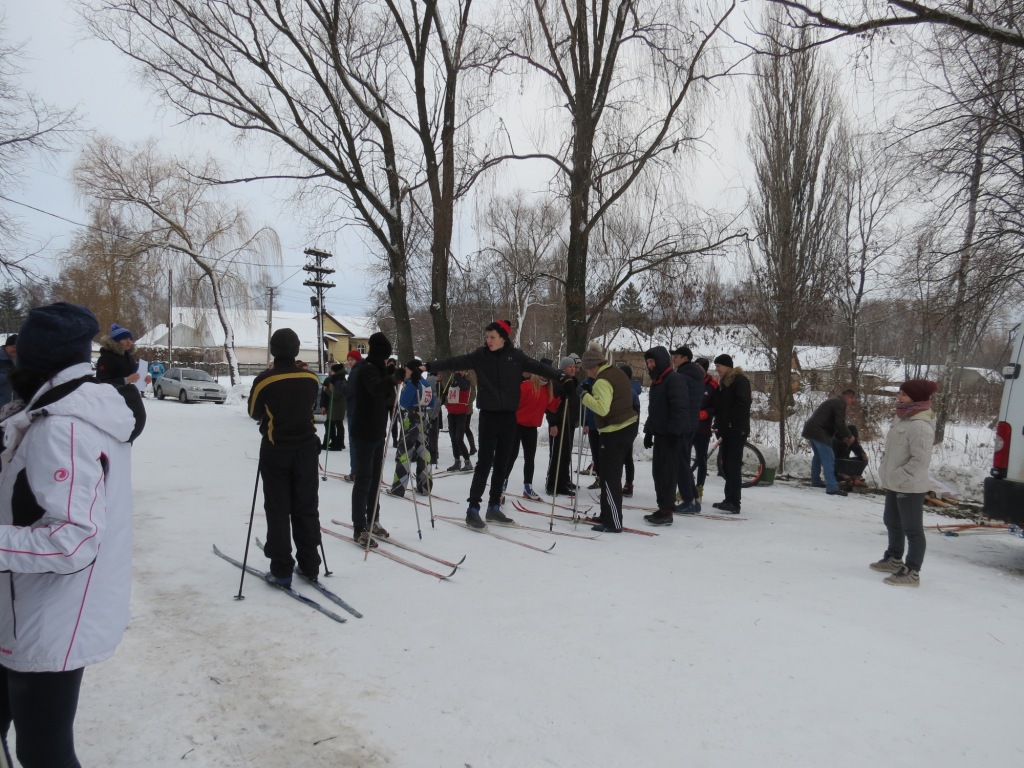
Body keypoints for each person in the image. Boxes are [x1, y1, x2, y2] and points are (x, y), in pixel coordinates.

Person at [0, 302, 143, 768]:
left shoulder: (65, 426)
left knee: (43, 750)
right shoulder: (53, 411)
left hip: (49, 620)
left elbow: (74, 540)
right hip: (23, 607)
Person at [423, 320, 566, 528]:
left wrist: (561, 376)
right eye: (487, 337)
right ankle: (473, 509)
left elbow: (538, 366)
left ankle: (494, 507)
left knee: (502, 463)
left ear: (503, 338)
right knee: (484, 463)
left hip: (509, 417)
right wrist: (428, 366)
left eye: (492, 337)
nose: (488, 340)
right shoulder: (480, 356)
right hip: (489, 416)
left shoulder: (516, 357)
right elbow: (455, 362)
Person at [248, 328, 324, 585]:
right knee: (306, 507)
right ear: (296, 349)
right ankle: (310, 564)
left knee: (278, 510)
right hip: (306, 449)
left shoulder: (265, 380)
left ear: (273, 350)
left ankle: (281, 569)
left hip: (276, 449)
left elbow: (254, 412)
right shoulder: (310, 378)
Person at [870, 379, 938, 588]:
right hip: (895, 482)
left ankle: (912, 571)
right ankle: (894, 558)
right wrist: (887, 472)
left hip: (909, 485)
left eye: (904, 395)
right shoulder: (903, 419)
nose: (899, 397)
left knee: (912, 529)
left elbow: (920, 459)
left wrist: (900, 475)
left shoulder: (920, 425)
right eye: (900, 393)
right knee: (891, 521)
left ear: (916, 398)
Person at [349, 332, 405, 546]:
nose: (385, 360)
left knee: (374, 480)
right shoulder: (366, 369)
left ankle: (373, 519)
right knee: (363, 481)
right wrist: (391, 379)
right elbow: (374, 387)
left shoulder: (378, 369)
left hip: (377, 432)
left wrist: (392, 376)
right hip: (363, 432)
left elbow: (386, 394)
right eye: (384, 356)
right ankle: (359, 527)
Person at [578, 345, 638, 533]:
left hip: (615, 431)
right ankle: (606, 514)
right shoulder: (616, 372)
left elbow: (602, 408)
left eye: (587, 370)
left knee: (610, 476)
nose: (587, 373)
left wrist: (584, 396)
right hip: (626, 427)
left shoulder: (602, 381)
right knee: (606, 474)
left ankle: (613, 522)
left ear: (593, 366)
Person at [642, 346, 686, 526]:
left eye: (652, 362)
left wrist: (673, 433)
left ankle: (667, 511)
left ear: (660, 361)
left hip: (670, 437)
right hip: (660, 434)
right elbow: (655, 411)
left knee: (667, 474)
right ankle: (662, 507)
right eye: (648, 363)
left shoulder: (674, 380)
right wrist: (648, 432)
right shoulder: (658, 382)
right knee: (658, 473)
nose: (650, 365)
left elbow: (679, 410)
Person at [505, 368, 560, 500]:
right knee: (511, 456)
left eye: (547, 374)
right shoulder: (526, 386)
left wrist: (562, 393)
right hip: (516, 425)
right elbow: (512, 402)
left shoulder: (548, 390)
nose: (545, 377)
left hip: (531, 428)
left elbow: (552, 407)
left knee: (530, 458)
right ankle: (502, 485)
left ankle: (528, 487)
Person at [711, 354, 752, 514]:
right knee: (726, 465)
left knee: (732, 466)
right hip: (726, 430)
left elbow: (743, 404)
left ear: (728, 366)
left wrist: (729, 422)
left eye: (719, 366)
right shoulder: (726, 383)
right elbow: (723, 406)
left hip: (736, 429)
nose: (717, 369)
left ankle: (735, 502)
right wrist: (719, 422)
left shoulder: (740, 381)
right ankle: (729, 499)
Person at [387, 360, 434, 498]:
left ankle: (398, 488)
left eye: (406, 369)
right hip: (423, 418)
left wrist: (406, 385)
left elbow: (404, 402)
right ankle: (425, 486)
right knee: (423, 451)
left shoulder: (413, 384)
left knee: (405, 452)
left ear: (411, 370)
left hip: (411, 419)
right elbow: (432, 402)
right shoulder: (425, 383)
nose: (405, 371)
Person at [801, 389, 858, 497]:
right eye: (852, 399)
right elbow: (839, 423)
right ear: (848, 397)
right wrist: (849, 436)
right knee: (829, 458)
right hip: (819, 432)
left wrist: (843, 437)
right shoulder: (840, 403)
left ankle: (815, 481)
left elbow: (833, 423)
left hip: (811, 429)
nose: (852, 402)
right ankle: (832, 487)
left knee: (818, 457)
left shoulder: (834, 400)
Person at [672, 346, 705, 515]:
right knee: (683, 461)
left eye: (676, 356)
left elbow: (679, 402)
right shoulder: (695, 375)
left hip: (683, 424)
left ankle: (689, 500)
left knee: (681, 463)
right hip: (691, 423)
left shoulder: (683, 376)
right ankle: (691, 498)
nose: (674, 358)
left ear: (685, 358)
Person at [545, 355, 580, 496]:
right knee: (557, 455)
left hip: (570, 423)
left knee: (566, 455)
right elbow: (551, 405)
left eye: (573, 367)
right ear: (563, 369)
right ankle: (552, 485)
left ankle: (562, 483)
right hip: (559, 423)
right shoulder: (557, 383)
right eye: (569, 367)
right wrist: (553, 423)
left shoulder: (575, 383)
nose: (573, 369)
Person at [692, 358, 719, 505]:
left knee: (701, 460)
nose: (697, 371)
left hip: (702, 429)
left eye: (700, 369)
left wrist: (705, 414)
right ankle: (685, 488)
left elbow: (716, 407)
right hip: (688, 427)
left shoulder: (713, 385)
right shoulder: (688, 381)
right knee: (683, 460)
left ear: (705, 370)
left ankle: (699, 490)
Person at [95, 322, 151, 391]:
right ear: (116, 341)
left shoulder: (128, 357)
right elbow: (101, 382)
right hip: (110, 397)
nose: (129, 342)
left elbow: (136, 375)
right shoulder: (106, 358)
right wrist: (126, 380)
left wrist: (144, 379)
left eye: (130, 339)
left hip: (126, 396)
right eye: (125, 339)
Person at [443, 369, 474, 472]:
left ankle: (467, 461)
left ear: (465, 372)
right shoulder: (453, 381)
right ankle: (457, 461)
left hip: (461, 413)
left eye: (462, 371)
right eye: (458, 370)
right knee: (453, 438)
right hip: (452, 413)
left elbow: (464, 387)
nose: (460, 372)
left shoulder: (466, 381)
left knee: (458, 438)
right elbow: (447, 393)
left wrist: (458, 377)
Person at [620, 363, 641, 497]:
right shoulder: (620, 389)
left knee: (625, 458)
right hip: (622, 429)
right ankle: (625, 484)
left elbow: (635, 414)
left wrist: (631, 431)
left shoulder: (630, 392)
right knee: (625, 458)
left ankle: (628, 484)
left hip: (627, 429)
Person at [343, 350, 364, 479]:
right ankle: (359, 470)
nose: (350, 362)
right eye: (348, 359)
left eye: (352, 359)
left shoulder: (356, 372)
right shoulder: (361, 370)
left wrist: (339, 383)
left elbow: (349, 392)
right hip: (359, 410)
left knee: (354, 442)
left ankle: (355, 471)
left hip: (355, 411)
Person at [321, 363, 347, 450]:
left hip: (337, 407)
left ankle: (338, 444)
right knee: (333, 424)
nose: (330, 372)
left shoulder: (340, 381)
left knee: (337, 425)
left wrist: (326, 389)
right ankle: (335, 443)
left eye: (332, 370)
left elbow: (335, 395)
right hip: (335, 406)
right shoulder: (336, 379)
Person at [0, 335, 17, 406]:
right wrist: (8, 375)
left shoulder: (20, 359)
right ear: (6, 346)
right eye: (13, 347)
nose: (15, 349)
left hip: (15, 406)